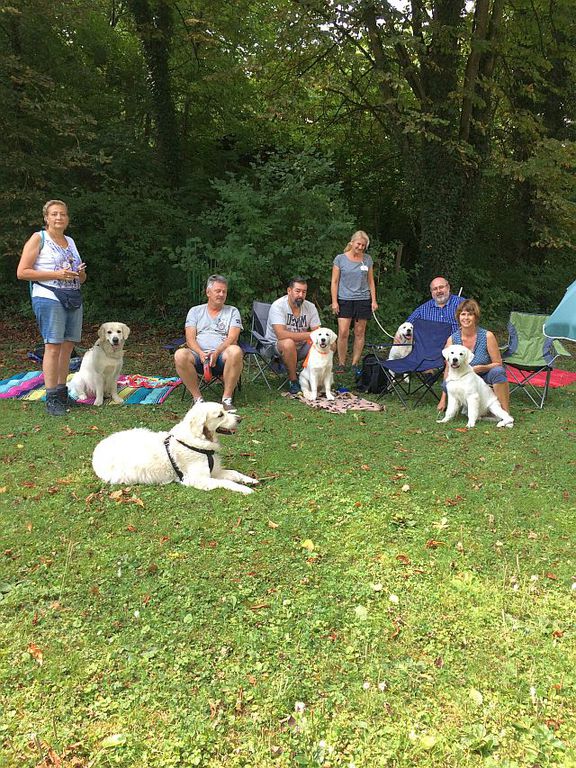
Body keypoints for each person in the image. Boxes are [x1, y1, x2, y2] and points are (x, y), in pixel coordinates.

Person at [16, 200, 87, 416]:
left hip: (72, 296)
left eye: (63, 214)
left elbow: (81, 278)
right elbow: (22, 272)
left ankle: (62, 392)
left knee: (67, 347)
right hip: (48, 296)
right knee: (53, 346)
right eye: (54, 214)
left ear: (67, 218)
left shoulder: (70, 241)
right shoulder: (39, 238)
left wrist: (80, 273)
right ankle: (51, 397)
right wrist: (56, 274)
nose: (59, 218)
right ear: (46, 218)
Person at [174, 275, 243, 410]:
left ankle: (227, 399)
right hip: (198, 357)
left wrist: (217, 352)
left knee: (235, 350)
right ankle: (198, 399)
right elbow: (190, 339)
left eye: (224, 291)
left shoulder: (232, 311)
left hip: (223, 356)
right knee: (180, 354)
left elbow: (232, 338)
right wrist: (200, 353)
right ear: (208, 292)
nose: (221, 294)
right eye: (218, 291)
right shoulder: (195, 311)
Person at [438, 298, 511, 413]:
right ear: (458, 317)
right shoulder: (452, 339)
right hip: (462, 378)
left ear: (475, 318)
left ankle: (505, 412)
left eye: (470, 314)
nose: (466, 318)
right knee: (446, 384)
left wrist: (482, 368)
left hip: (484, 375)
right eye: (463, 314)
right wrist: (443, 399)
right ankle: (467, 408)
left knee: (498, 372)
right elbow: (448, 367)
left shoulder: (487, 336)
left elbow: (498, 363)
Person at [331, 230, 378, 377]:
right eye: (358, 244)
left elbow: (371, 281)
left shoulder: (367, 259)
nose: (360, 247)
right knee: (343, 332)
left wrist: (374, 300)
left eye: (363, 245)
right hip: (344, 299)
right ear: (352, 243)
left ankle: (355, 363)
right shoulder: (340, 259)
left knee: (359, 332)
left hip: (363, 299)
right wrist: (334, 301)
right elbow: (334, 281)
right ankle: (341, 363)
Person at [264, 277, 321, 395]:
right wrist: (310, 334)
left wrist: (317, 337)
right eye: (297, 291)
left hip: (301, 346)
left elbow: (318, 332)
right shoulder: (278, 306)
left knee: (326, 343)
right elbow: (281, 334)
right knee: (288, 343)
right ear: (289, 291)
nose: (301, 295)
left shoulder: (310, 307)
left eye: (304, 292)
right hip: (276, 346)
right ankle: (293, 380)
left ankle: (314, 379)